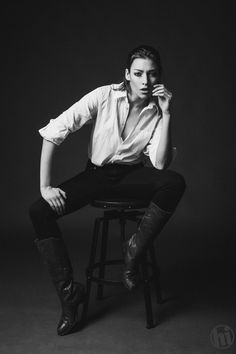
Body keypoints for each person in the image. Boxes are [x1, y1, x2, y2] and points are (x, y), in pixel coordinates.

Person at [29, 44, 186, 336]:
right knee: (39, 211)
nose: (145, 81)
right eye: (138, 73)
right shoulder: (104, 96)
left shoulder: (156, 110)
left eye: (152, 75)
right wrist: (45, 186)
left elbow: (161, 164)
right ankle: (70, 295)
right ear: (127, 75)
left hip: (131, 176)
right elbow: (54, 132)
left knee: (174, 183)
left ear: (159, 77)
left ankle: (133, 250)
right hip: (96, 176)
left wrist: (166, 115)